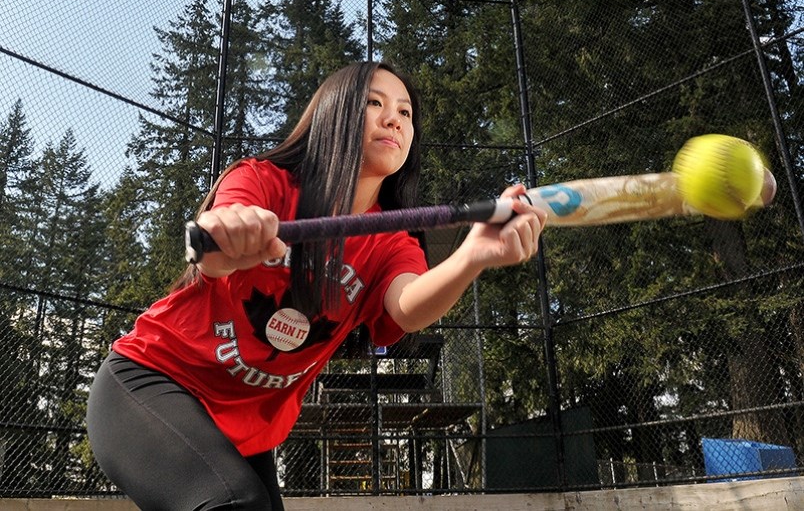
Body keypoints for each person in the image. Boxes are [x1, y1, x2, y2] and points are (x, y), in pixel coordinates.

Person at [86, 61, 547, 510]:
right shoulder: (263, 181)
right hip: (151, 384)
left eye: (406, 112)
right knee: (236, 504)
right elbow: (213, 246)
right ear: (334, 113)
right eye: (374, 103)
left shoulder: (391, 239)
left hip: (244, 425)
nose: (395, 119)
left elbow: (408, 306)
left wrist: (473, 257)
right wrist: (232, 234)